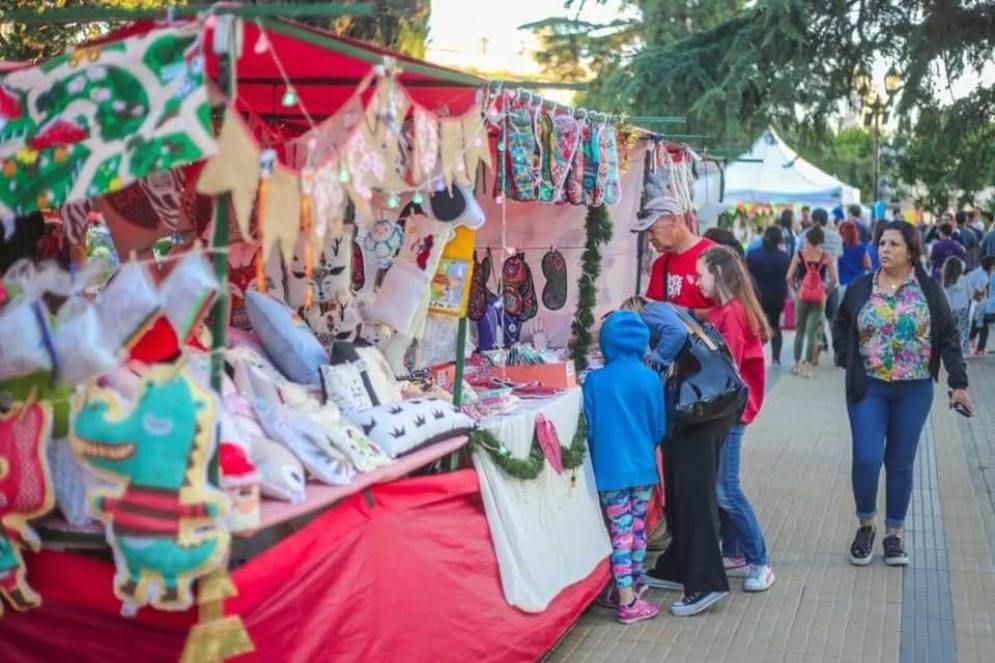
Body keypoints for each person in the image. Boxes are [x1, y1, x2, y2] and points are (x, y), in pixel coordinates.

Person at [833, 221, 973, 566]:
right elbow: (841, 322)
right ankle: (866, 525)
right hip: (868, 387)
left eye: (894, 244)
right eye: (882, 243)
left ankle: (894, 534)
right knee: (867, 458)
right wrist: (846, 357)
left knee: (900, 462)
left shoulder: (929, 290)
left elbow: (948, 337)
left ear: (911, 251)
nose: (885, 249)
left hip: (914, 390)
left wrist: (958, 384)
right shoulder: (861, 287)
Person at [622, 296, 733, 617]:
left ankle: (706, 581)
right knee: (679, 486)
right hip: (702, 408)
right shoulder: (672, 311)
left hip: (701, 410)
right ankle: (677, 565)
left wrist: (653, 359)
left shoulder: (652, 312)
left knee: (693, 493)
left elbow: (677, 334)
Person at [697, 246, 775, 592]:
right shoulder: (729, 311)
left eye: (700, 274)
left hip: (731, 413)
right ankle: (735, 552)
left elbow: (724, 370)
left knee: (726, 491)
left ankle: (760, 561)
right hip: (730, 411)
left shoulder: (731, 315)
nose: (696, 282)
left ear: (717, 273)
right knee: (723, 487)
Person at [584, 310, 665, 625]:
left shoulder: (594, 381)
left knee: (620, 532)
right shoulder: (651, 378)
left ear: (607, 342)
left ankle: (625, 597)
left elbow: (590, 428)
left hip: (610, 469)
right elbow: (659, 427)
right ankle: (632, 586)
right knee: (638, 528)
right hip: (643, 467)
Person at [634, 195, 716, 316]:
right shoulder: (659, 264)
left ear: (674, 221)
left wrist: (688, 314)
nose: (649, 237)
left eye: (651, 230)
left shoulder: (715, 256)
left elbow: (733, 310)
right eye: (646, 232)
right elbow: (652, 311)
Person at [786, 225, 839, 377]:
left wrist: (797, 290)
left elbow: (789, 277)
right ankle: (808, 368)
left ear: (808, 238)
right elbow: (834, 279)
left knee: (800, 330)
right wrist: (826, 292)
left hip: (802, 296)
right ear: (821, 240)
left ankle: (797, 365)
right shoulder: (826, 256)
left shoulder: (799, 255)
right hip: (819, 297)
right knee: (812, 332)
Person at [747, 226, 791, 366]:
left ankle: (757, 355)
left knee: (757, 327)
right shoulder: (784, 257)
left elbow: (747, 276)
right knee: (775, 326)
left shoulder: (753, 255)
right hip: (777, 296)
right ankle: (776, 358)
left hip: (757, 296)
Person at [942, 256, 971, 355]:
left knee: (953, 330)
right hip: (963, 307)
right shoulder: (964, 279)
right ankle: (965, 350)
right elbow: (970, 292)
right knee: (964, 329)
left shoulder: (946, 281)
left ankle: (952, 348)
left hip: (951, 309)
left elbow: (945, 296)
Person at [837, 220, 872, 298]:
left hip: (841, 284)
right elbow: (868, 265)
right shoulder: (861, 247)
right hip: (857, 283)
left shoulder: (838, 246)